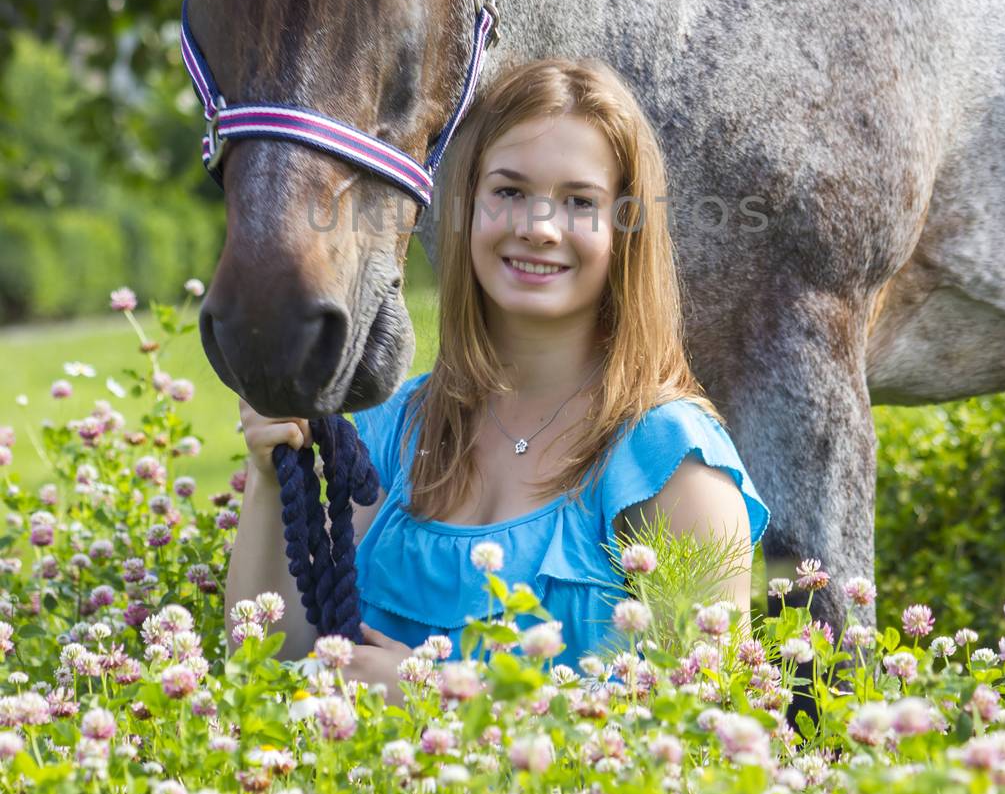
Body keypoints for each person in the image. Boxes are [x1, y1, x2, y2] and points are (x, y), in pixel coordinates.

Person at [231, 58, 770, 700]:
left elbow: (702, 730)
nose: (537, 228)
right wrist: (270, 476)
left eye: (579, 202)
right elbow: (271, 662)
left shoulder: (674, 469)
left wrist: (436, 701)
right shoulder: (393, 430)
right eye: (509, 192)